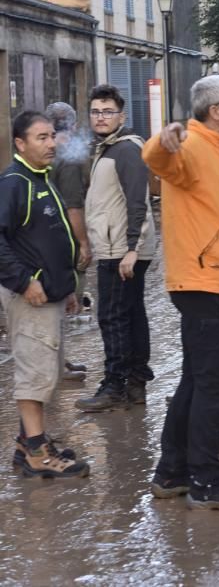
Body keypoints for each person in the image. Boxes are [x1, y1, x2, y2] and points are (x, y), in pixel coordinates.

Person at [143, 75, 219, 510]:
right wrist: (164, 138)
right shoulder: (191, 146)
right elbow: (156, 160)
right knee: (211, 387)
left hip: (208, 278)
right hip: (200, 280)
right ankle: (206, 481)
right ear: (216, 111)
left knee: (196, 383)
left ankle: (171, 473)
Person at [0, 111, 89, 478]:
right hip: (30, 298)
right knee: (34, 373)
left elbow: (52, 238)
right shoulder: (14, 182)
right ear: (20, 143)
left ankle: (28, 444)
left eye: (52, 136)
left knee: (46, 371)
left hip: (50, 294)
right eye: (41, 137)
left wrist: (66, 287)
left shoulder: (40, 177)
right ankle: (37, 454)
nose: (51, 143)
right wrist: (25, 281)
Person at [75, 85, 157, 412]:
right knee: (131, 314)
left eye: (108, 112)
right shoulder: (107, 148)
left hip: (121, 250)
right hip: (118, 246)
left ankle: (116, 384)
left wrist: (132, 249)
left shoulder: (124, 150)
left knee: (112, 317)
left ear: (121, 116)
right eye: (96, 111)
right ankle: (135, 383)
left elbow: (139, 202)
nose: (101, 117)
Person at [44, 101, 91, 382]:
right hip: (63, 240)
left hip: (45, 238)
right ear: (73, 126)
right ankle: (55, 365)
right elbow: (74, 206)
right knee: (62, 303)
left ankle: (58, 358)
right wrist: (83, 243)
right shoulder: (68, 157)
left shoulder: (43, 151)